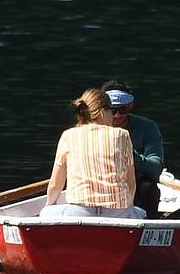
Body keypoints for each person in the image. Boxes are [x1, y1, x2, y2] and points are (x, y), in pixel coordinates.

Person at [42, 87, 136, 220]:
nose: (114, 115)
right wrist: (129, 208)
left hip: (79, 212)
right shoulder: (122, 134)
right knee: (140, 212)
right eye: (112, 110)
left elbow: (55, 184)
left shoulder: (68, 136)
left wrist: (49, 206)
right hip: (117, 212)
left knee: (45, 213)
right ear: (103, 112)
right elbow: (130, 182)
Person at [100, 78, 165, 215]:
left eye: (122, 109)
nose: (117, 116)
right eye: (112, 110)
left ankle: (145, 225)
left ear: (130, 106)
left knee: (148, 188)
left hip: (134, 188)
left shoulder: (147, 127)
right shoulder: (91, 129)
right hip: (100, 186)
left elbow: (155, 169)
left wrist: (130, 156)